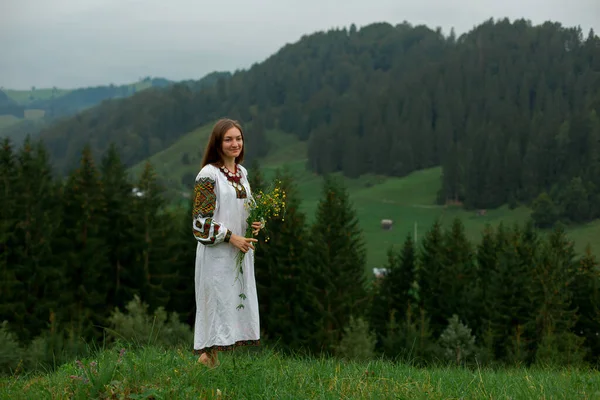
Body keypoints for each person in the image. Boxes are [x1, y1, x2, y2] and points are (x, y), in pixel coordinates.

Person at [192, 118, 263, 368]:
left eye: (239, 138)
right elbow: (200, 223)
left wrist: (257, 222)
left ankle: (211, 364)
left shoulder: (242, 173)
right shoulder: (208, 175)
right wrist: (231, 237)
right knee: (217, 305)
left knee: (233, 304)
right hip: (217, 255)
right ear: (218, 143)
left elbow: (248, 207)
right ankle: (207, 362)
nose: (235, 144)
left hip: (240, 253)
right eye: (229, 139)